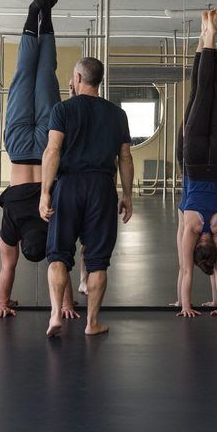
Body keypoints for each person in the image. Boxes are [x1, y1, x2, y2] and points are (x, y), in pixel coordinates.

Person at [0, 0, 79, 320]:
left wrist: (68, 304)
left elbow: (62, 268)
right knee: (25, 74)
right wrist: (1, 302)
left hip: (44, 146)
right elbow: (6, 270)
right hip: (17, 147)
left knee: (46, 74)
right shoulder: (13, 224)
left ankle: (47, 10)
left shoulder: (52, 220)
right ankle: (35, 10)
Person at [40, 56, 133, 337]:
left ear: (78, 79)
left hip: (68, 186)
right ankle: (92, 323)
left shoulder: (62, 110)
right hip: (102, 188)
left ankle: (56, 314)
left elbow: (52, 151)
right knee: (97, 261)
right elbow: (125, 158)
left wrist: (45, 192)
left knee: (57, 256)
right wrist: (127, 195)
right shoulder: (117, 114)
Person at [175, 9, 217, 318]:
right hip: (197, 160)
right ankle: (208, 36)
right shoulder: (191, 227)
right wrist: (187, 306)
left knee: (212, 93)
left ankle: (208, 36)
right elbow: (187, 273)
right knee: (202, 93)